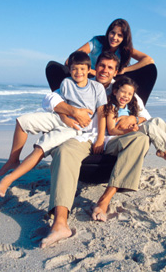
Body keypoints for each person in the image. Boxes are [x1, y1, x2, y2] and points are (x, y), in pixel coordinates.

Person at [40, 52, 150, 248]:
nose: (105, 70)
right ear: (94, 67)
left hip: (115, 140)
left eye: (110, 68)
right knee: (64, 150)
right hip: (83, 137)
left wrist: (134, 119)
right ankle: (60, 223)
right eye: (102, 66)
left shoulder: (123, 90)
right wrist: (69, 113)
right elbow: (50, 99)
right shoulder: (80, 84)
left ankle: (104, 201)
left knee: (141, 139)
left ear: (115, 71)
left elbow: (145, 117)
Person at [0, 51, 107, 197]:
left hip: (76, 128)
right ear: (70, 69)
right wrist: (64, 117)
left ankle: (7, 180)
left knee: (41, 147)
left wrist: (100, 139)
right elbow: (57, 104)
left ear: (89, 70)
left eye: (82, 69)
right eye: (74, 69)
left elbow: (103, 113)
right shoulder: (66, 83)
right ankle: (13, 160)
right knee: (22, 121)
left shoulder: (97, 88)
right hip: (61, 118)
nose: (78, 72)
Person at [46, 18, 157, 105]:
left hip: (112, 79)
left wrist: (124, 70)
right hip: (90, 78)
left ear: (124, 38)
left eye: (119, 35)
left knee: (150, 69)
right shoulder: (97, 42)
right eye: (112, 33)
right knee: (53, 67)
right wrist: (92, 71)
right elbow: (70, 60)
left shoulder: (125, 49)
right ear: (108, 32)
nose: (114, 38)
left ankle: (132, 104)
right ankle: (65, 99)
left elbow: (149, 60)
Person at [104, 76, 166, 165]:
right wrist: (129, 130)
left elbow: (143, 118)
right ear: (115, 92)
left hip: (132, 131)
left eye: (129, 94)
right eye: (123, 92)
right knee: (149, 127)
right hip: (121, 136)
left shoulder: (129, 107)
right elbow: (112, 130)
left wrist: (134, 120)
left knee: (157, 121)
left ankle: (161, 149)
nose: (126, 96)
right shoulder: (112, 108)